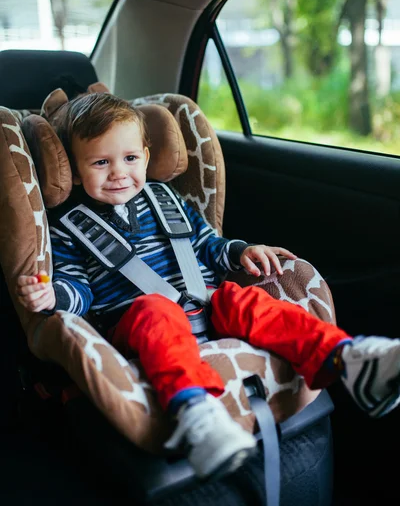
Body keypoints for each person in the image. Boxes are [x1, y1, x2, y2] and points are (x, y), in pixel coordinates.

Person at [17, 93, 400, 480]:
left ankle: (346, 358)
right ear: (78, 172)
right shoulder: (68, 227)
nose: (119, 173)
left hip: (203, 303)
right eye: (101, 162)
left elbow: (206, 245)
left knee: (241, 298)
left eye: (130, 159)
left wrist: (242, 252)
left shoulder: (166, 198)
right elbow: (78, 292)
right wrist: (53, 296)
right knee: (158, 310)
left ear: (147, 158)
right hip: (134, 324)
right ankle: (196, 415)